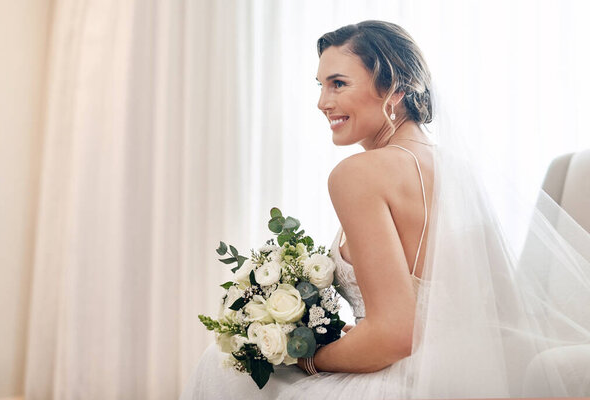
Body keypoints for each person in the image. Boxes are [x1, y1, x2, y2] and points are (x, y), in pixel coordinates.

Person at [181, 21, 590, 399]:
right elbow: (501, 317)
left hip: (397, 385)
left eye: (338, 83)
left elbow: (395, 333)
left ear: (395, 87)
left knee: (224, 369)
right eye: (321, 85)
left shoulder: (358, 174)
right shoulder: (457, 170)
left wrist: (305, 357)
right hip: (457, 382)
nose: (323, 102)